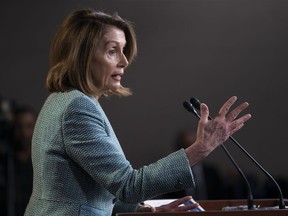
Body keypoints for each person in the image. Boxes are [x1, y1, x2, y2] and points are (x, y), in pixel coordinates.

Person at [24, 8, 251, 216]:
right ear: (81, 56)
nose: (124, 61)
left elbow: (92, 190)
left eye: (123, 51)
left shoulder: (63, 100)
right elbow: (128, 186)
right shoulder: (77, 108)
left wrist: (143, 210)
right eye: (113, 51)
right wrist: (201, 148)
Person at [0, 106, 36, 216]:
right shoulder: (4, 165)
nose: (24, 133)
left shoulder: (41, 165)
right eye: (19, 127)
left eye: (29, 126)